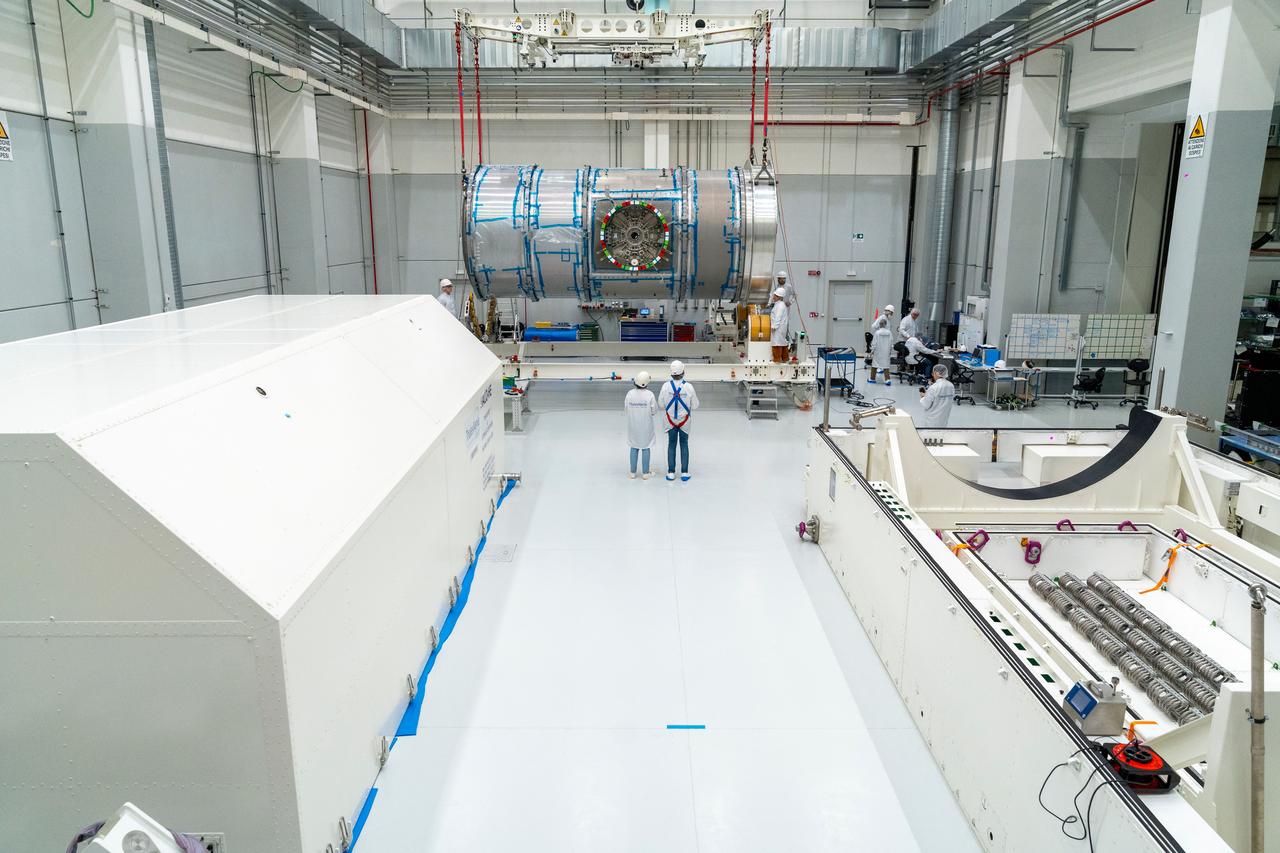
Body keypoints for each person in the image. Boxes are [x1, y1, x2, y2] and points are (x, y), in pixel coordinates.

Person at [658, 360, 699, 481]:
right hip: (685, 422)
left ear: (671, 373)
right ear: (683, 372)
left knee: (671, 445)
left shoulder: (665, 386)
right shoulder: (689, 387)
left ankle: (671, 472)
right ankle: (684, 472)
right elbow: (695, 405)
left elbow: (660, 404)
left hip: (670, 421)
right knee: (684, 444)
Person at [624, 371, 658, 480]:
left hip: (633, 426)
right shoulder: (650, 394)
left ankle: (632, 472)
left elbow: (626, 409)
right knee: (645, 447)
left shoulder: (630, 394)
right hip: (646, 427)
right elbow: (654, 411)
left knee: (634, 447)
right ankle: (645, 473)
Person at [919, 363, 957, 427]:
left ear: (936, 373)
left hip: (932, 420)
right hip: (944, 419)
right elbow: (943, 397)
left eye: (933, 373)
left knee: (931, 435)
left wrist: (923, 396)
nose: (932, 375)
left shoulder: (933, 387)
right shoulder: (951, 385)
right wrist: (929, 392)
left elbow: (926, 404)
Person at [868, 316, 894, 385]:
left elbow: (874, 343)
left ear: (879, 324)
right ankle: (887, 380)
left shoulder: (877, 333)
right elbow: (891, 342)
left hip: (878, 352)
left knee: (874, 365)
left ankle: (872, 379)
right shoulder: (889, 333)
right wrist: (890, 350)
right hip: (886, 352)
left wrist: (871, 351)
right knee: (886, 366)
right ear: (885, 324)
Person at [768, 286, 790, 363]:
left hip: (778, 328)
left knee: (776, 343)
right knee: (782, 342)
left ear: (779, 297)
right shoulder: (779, 304)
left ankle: (777, 359)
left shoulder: (780, 306)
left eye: (775, 295)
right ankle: (785, 358)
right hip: (781, 328)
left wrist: (774, 326)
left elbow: (778, 317)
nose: (773, 297)